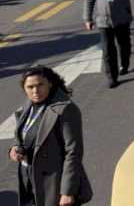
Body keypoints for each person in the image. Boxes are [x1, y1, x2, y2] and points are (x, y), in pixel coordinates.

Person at [9, 66, 92, 206]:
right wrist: (14, 149)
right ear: (24, 88)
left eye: (40, 85)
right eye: (30, 87)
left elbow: (73, 152)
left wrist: (67, 191)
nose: (35, 91)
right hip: (28, 177)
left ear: (50, 83)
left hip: (53, 183)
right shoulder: (28, 105)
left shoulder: (65, 109)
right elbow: (24, 133)